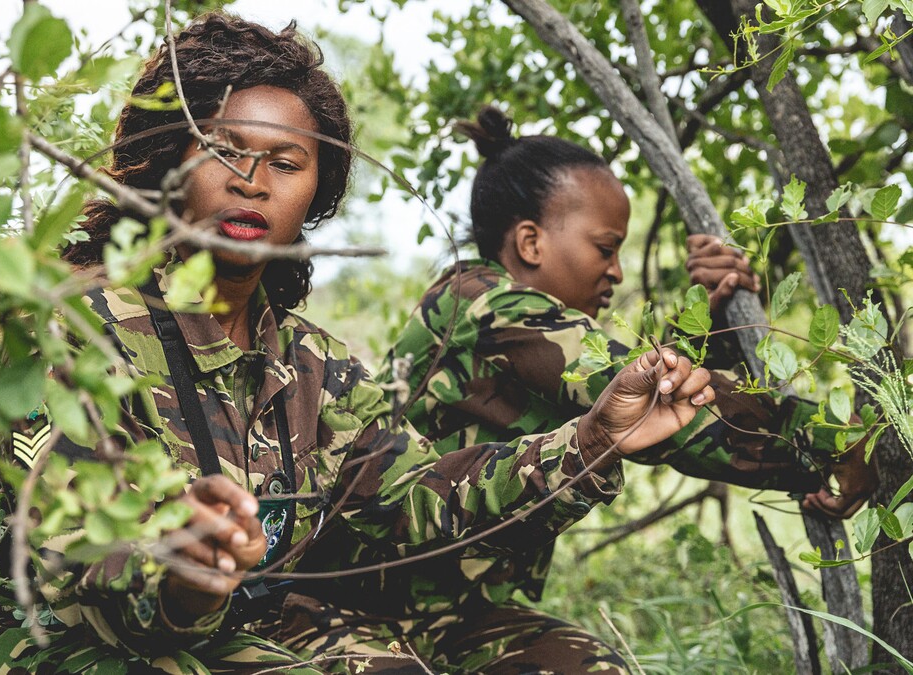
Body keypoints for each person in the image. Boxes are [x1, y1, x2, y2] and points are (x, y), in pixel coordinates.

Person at [0, 18, 716, 675]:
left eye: (286, 161)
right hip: (39, 638)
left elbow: (411, 503)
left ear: (316, 192)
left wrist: (591, 442)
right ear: (168, 162)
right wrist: (177, 568)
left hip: (245, 621)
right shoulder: (72, 322)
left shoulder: (311, 360)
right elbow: (84, 557)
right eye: (224, 150)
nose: (252, 180)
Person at [268, 106, 877, 673]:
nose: (615, 270)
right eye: (604, 248)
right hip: (347, 611)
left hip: (460, 619)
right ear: (530, 243)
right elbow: (646, 400)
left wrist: (716, 327)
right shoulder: (482, 303)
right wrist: (830, 441)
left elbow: (635, 395)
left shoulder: (513, 321)